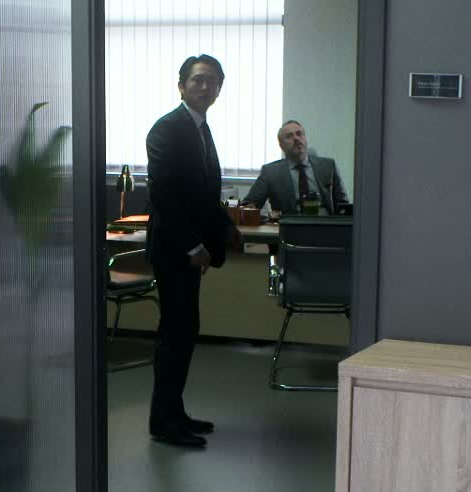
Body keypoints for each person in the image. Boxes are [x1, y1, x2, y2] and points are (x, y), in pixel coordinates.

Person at [144, 54, 241, 449]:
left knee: (184, 333)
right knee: (175, 334)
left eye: (213, 81)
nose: (205, 86)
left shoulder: (201, 127)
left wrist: (226, 227)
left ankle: (174, 411)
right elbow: (165, 197)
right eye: (198, 79)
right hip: (175, 250)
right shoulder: (167, 129)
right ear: (181, 86)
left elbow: (203, 193)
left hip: (190, 249)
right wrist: (195, 245)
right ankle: (162, 421)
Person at [242, 120, 348, 218]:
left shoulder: (328, 166)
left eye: (299, 134)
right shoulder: (270, 172)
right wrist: (259, 213)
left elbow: (343, 204)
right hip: (289, 226)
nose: (296, 138)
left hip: (325, 224)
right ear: (281, 146)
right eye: (289, 136)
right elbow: (250, 203)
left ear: (305, 139)